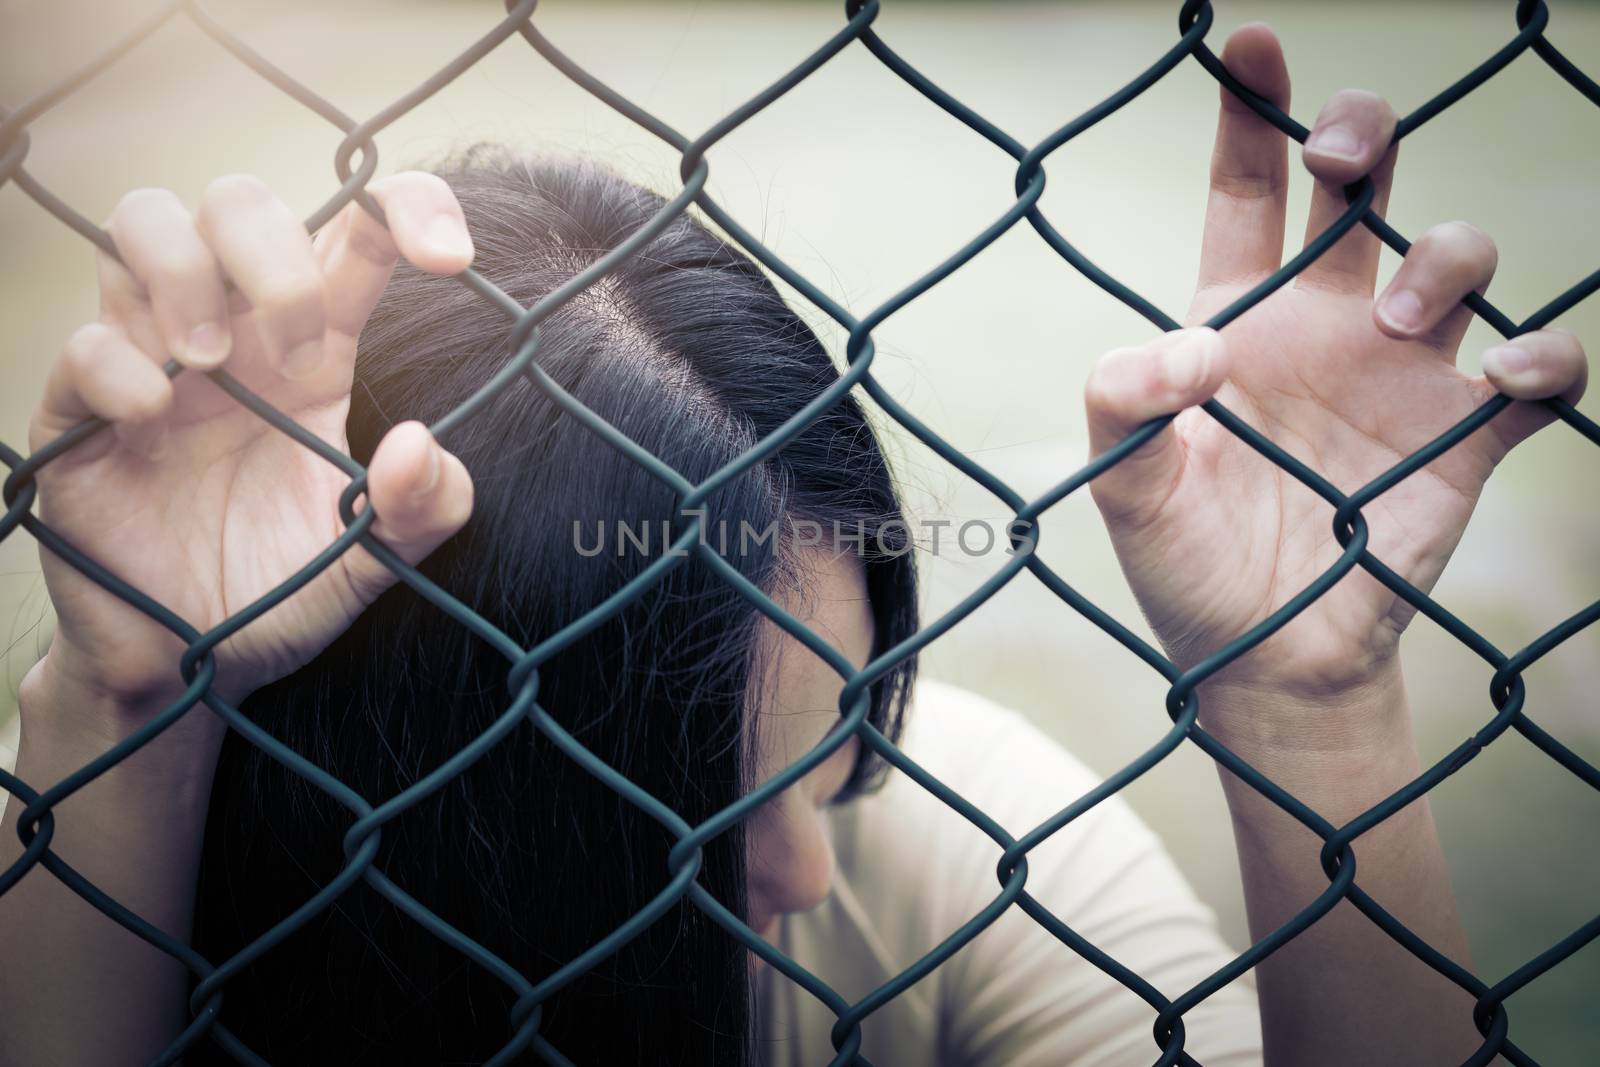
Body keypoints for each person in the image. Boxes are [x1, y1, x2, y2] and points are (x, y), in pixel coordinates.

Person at [0, 22, 1587, 1067]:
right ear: (439, 766)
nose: (811, 866)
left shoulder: (958, 845)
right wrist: (128, 712)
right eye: (701, 802)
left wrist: (1309, 707)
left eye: (844, 735)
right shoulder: (133, 850)